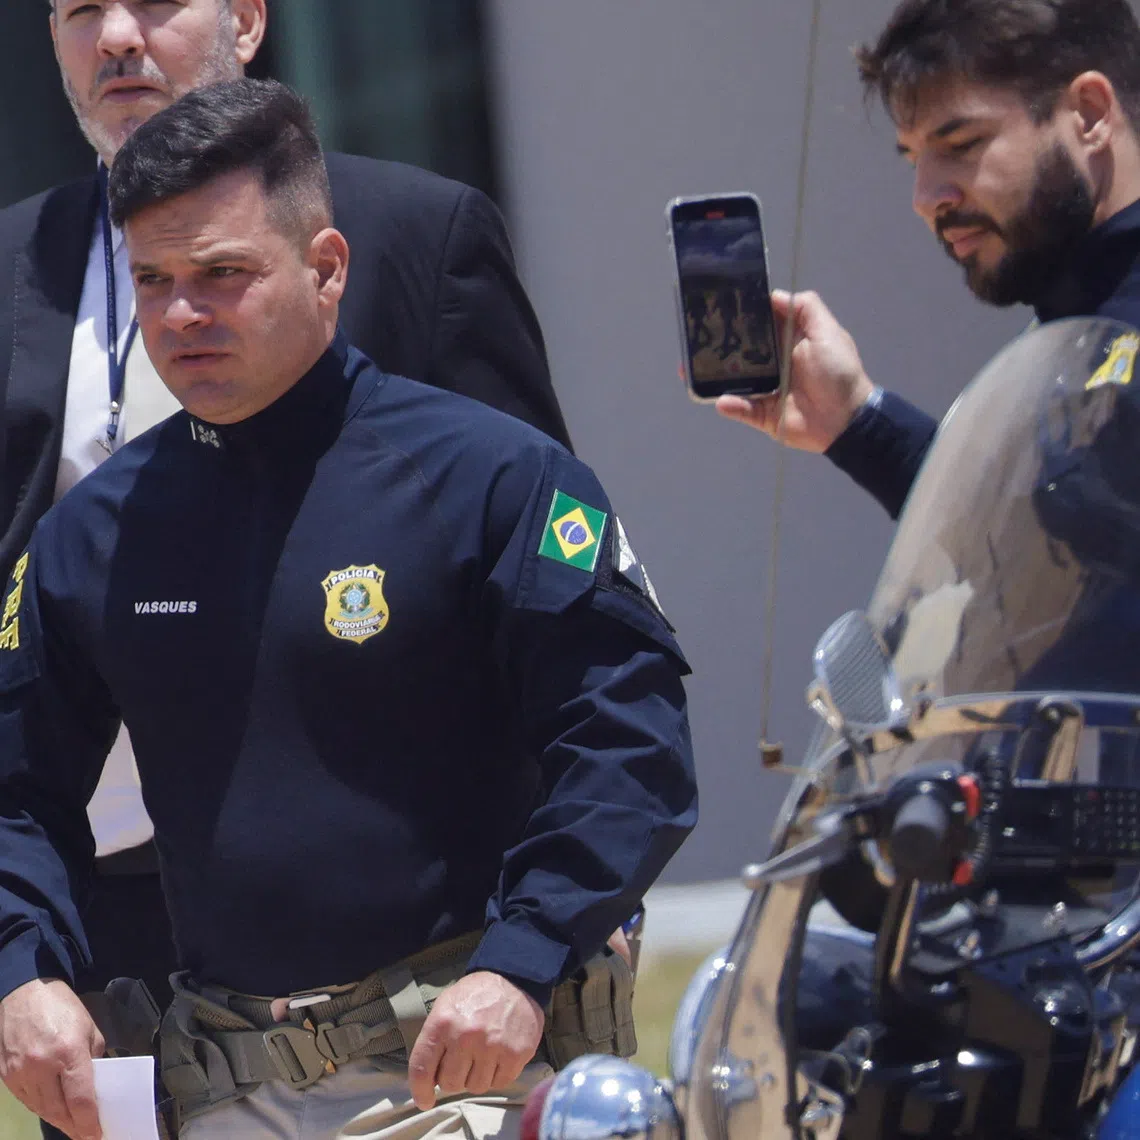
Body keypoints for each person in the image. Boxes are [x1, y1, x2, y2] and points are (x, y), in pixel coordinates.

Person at [0, 77, 697, 1140]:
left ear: (327, 268)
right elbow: (15, 787)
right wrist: (23, 971)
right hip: (217, 1087)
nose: (182, 315)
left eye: (224, 275)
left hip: (465, 1062)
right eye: (153, 279)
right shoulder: (92, 535)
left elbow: (628, 746)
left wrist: (523, 960)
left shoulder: (495, 480)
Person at [715, 0, 1140, 520]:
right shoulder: (1079, 312)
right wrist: (856, 419)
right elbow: (1025, 549)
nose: (924, 197)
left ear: (1090, 114)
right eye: (915, 159)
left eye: (960, 144)